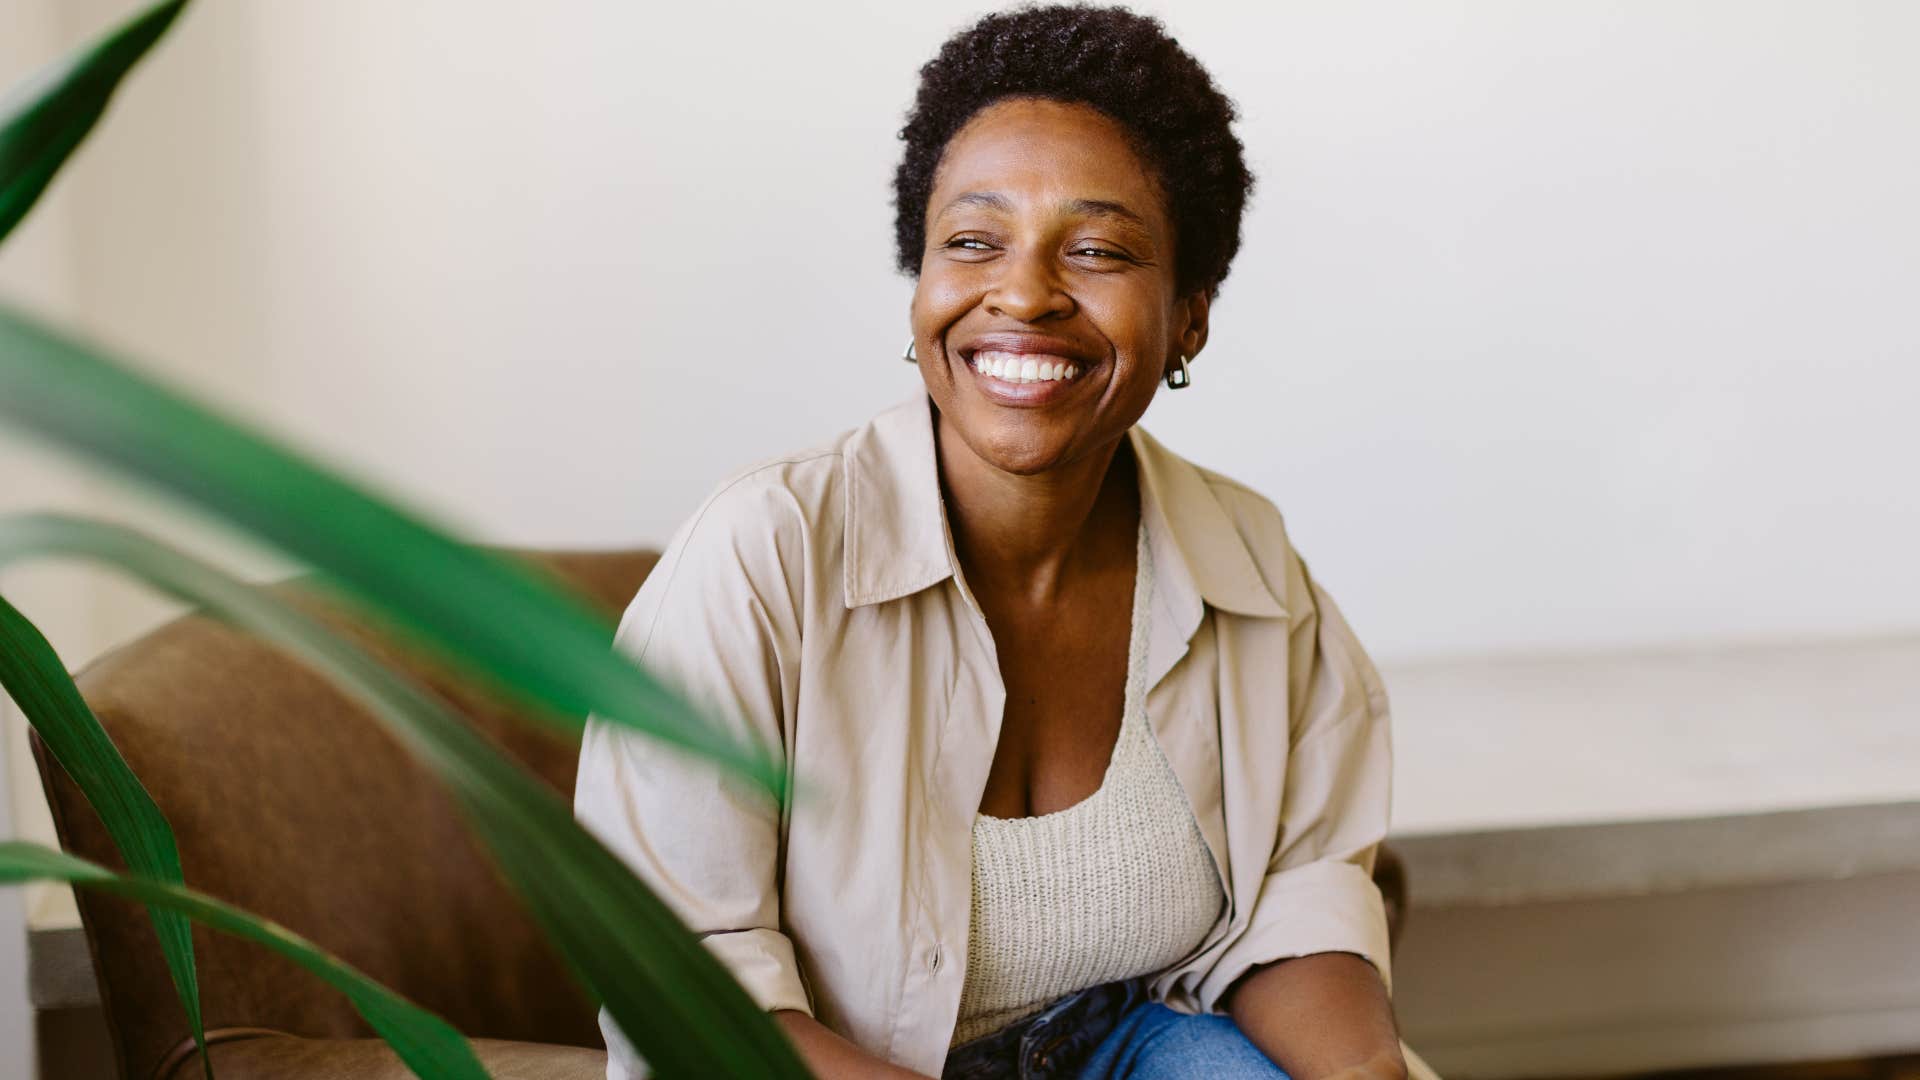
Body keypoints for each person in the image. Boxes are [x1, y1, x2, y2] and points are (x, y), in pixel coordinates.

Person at [576, 5, 1432, 1077]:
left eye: (1098, 249)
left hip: (1134, 1044)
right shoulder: (762, 557)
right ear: (922, 284)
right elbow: (688, 996)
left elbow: (1298, 906)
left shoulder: (1247, 562)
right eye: (973, 242)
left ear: (1189, 317)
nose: (1022, 293)